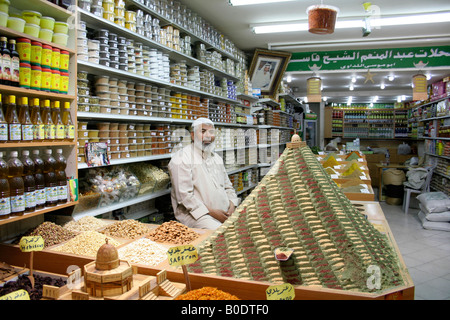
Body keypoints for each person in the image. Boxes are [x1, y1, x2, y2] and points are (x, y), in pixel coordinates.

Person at [168, 118, 239, 229]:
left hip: (225, 213)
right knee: (221, 234)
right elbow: (185, 197)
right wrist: (212, 212)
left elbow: (228, 187)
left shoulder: (216, 158)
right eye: (203, 131)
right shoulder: (182, 159)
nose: (208, 136)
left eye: (211, 132)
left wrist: (232, 206)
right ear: (192, 135)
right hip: (198, 215)